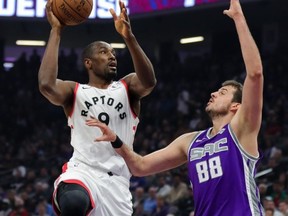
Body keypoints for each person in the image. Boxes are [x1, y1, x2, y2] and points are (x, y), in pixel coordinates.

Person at [86, 0, 265, 215]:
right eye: (217, 90)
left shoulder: (242, 130)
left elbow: (254, 74)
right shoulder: (190, 142)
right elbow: (140, 167)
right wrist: (116, 139)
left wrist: (238, 18)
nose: (213, 93)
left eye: (223, 93)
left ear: (236, 106)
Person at [38, 0, 156, 215]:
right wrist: (56, 30)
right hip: (82, 172)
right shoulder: (74, 91)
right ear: (88, 62)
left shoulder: (127, 87)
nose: (111, 56)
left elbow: (149, 82)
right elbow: (46, 85)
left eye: (113, 52)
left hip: (117, 183)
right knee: (74, 202)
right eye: (103, 52)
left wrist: (129, 38)